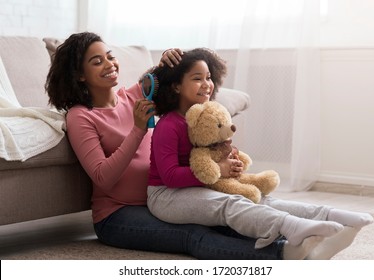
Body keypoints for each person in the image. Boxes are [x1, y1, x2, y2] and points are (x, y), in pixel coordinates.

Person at [45, 31, 328, 260]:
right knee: (193, 235)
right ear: (79, 75)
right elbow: (102, 177)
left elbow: (164, 78)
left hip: (162, 198)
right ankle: (282, 254)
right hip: (117, 215)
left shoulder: (131, 95)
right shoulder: (80, 116)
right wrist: (137, 130)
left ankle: (295, 238)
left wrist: (167, 58)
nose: (110, 64)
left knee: (222, 217)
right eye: (97, 62)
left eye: (110, 56)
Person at [146, 47, 374, 260]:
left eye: (208, 77)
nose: (206, 84)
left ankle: (329, 215)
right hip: (166, 196)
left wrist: (228, 163)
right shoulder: (169, 125)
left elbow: (209, 158)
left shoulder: (206, 118)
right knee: (230, 203)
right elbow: (171, 177)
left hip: (200, 186)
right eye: (197, 78)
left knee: (261, 199)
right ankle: (292, 227)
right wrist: (219, 171)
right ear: (176, 86)